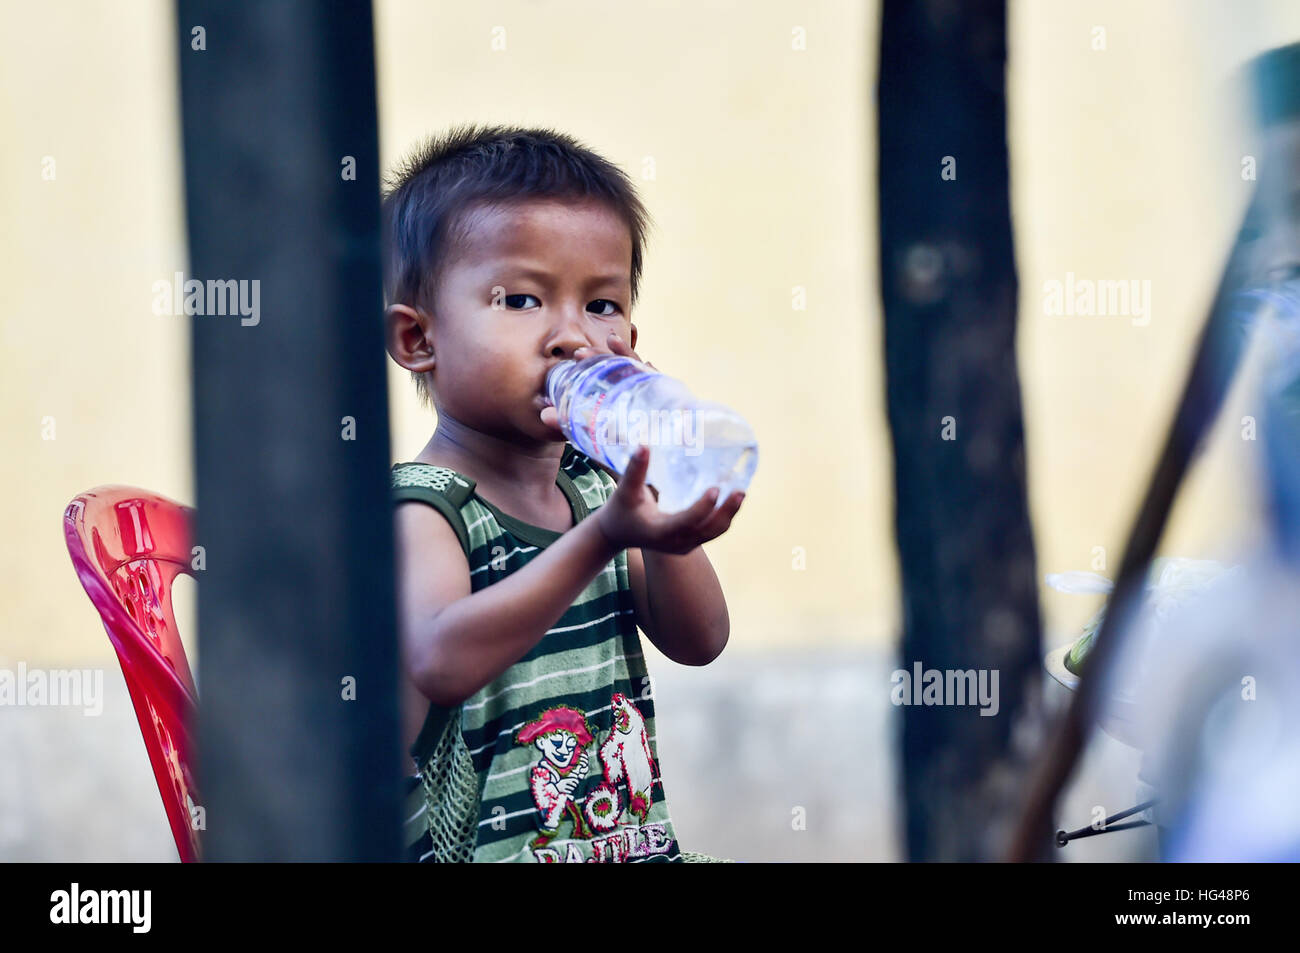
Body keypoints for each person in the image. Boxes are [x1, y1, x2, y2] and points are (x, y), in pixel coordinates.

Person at [381, 125, 745, 863]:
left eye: (602, 305)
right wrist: (605, 537)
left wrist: (667, 529)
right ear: (420, 339)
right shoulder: (428, 510)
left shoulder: (595, 492)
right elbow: (438, 660)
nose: (572, 337)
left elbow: (701, 640)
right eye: (521, 299)